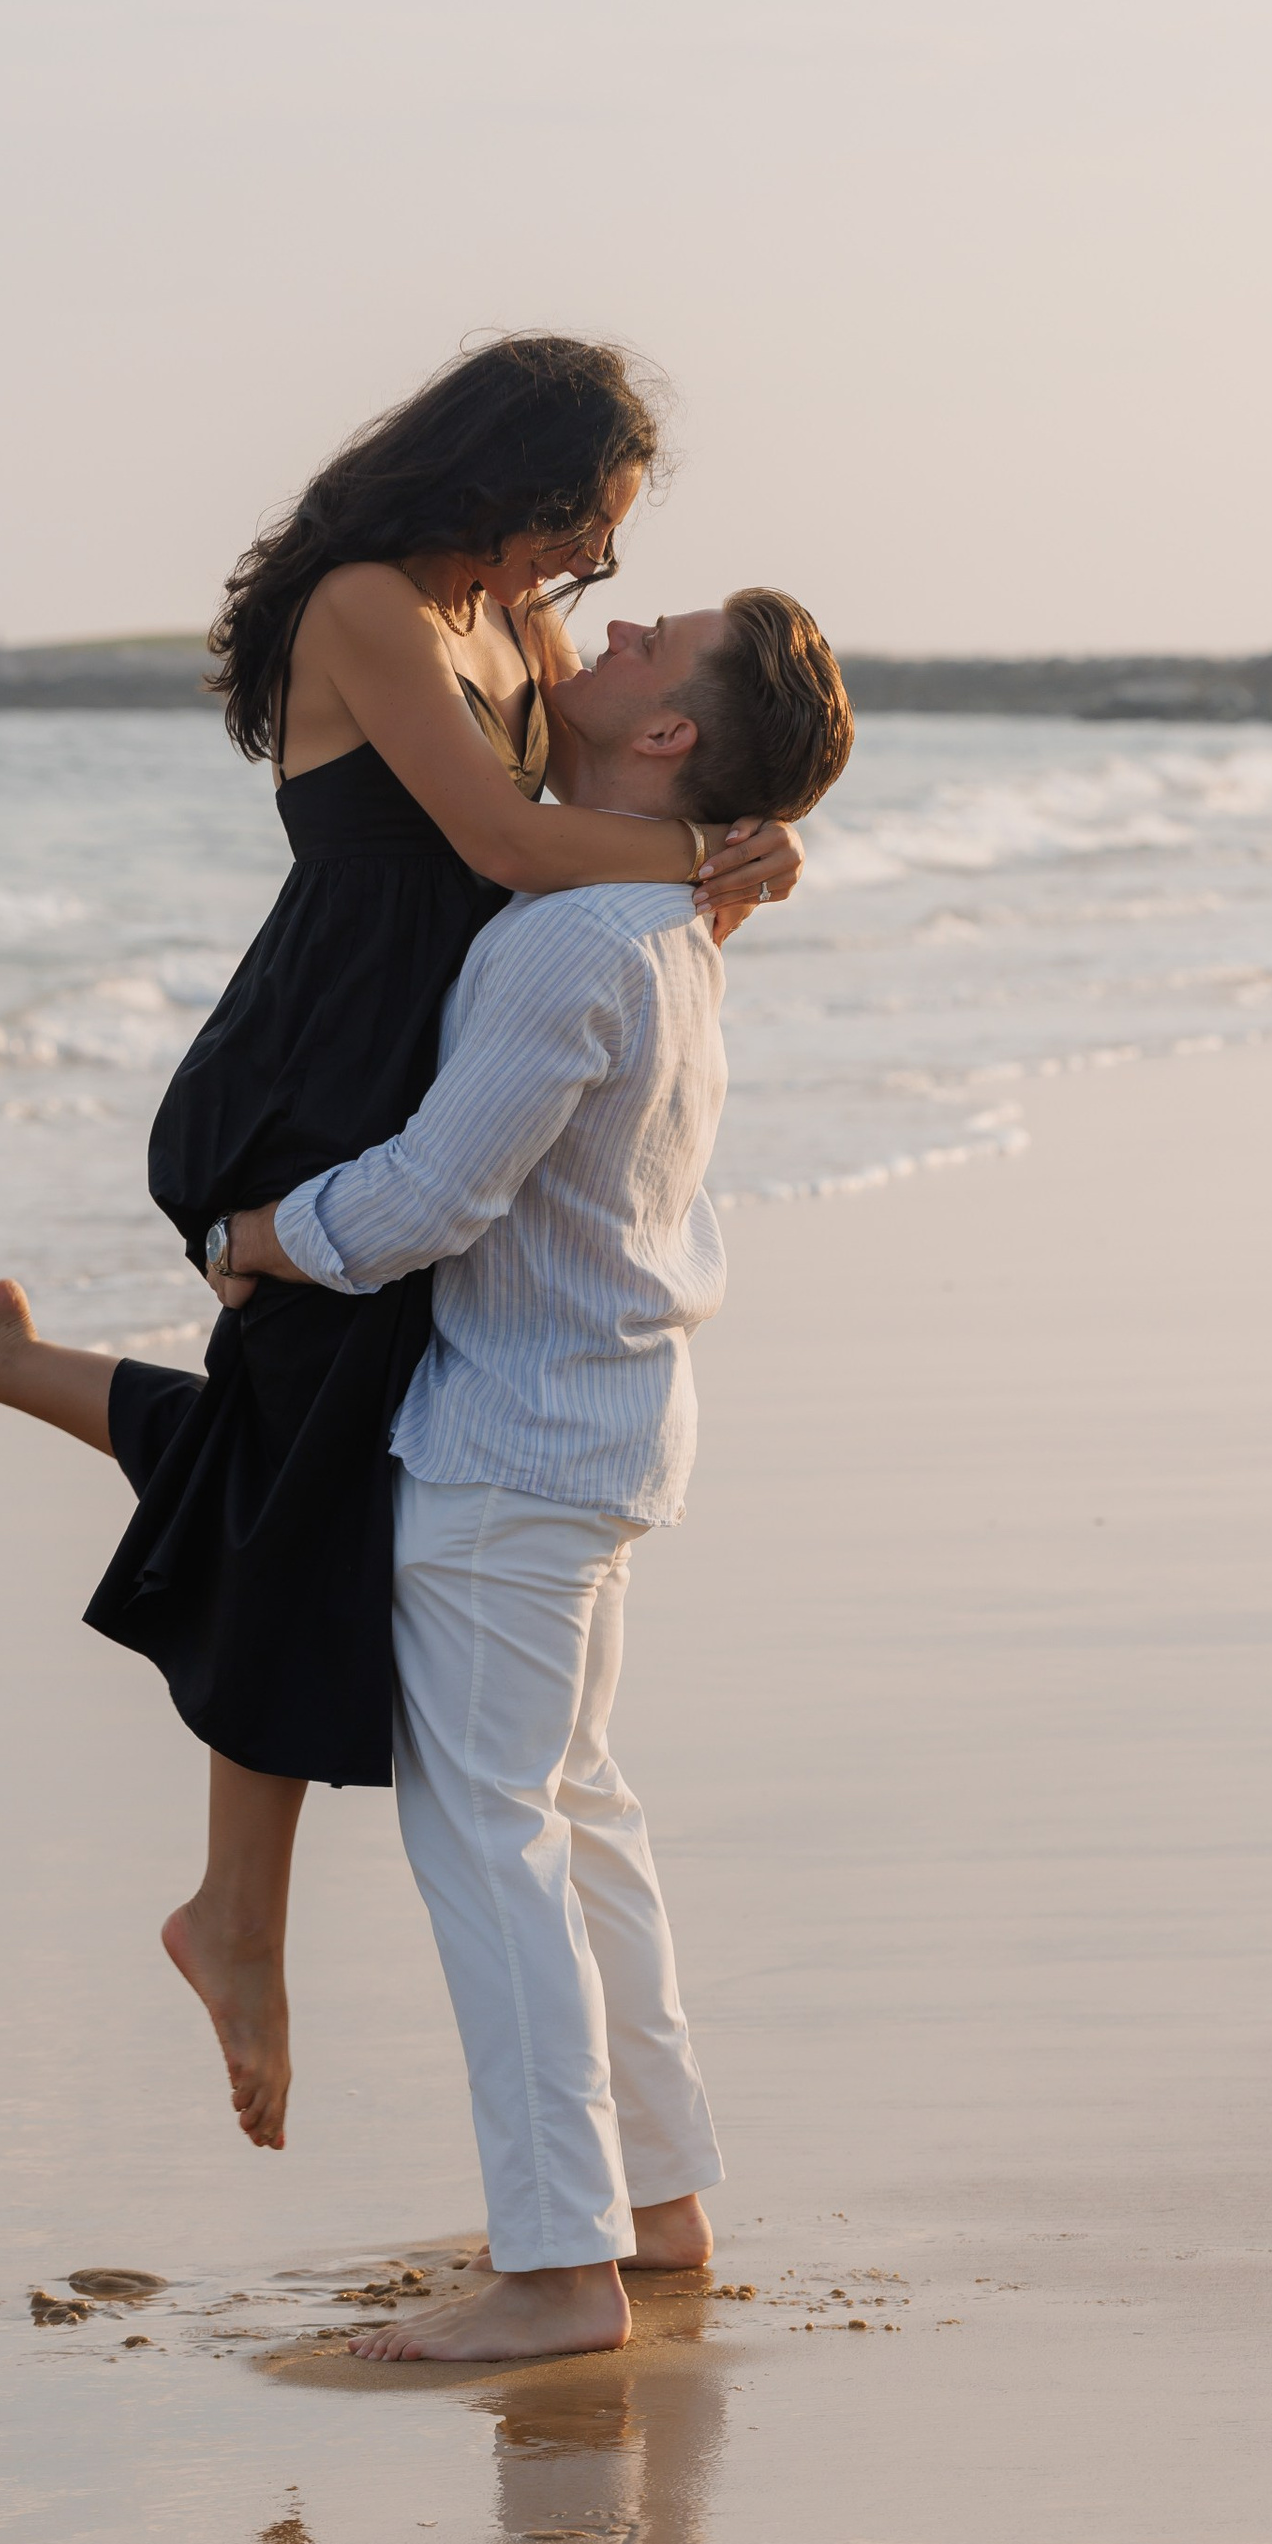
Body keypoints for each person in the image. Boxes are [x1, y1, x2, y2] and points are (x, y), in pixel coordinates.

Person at [0, 337, 803, 2158]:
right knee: (296, 1466)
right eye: (579, 529)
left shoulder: (524, 629)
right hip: (316, 1079)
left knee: (302, 1465)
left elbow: (628, 787)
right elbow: (505, 837)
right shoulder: (367, 606)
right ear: (507, 479)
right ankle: (231, 1919)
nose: (584, 579)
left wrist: (729, 839)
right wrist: (712, 860)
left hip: (423, 1088)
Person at [202, 585, 855, 2362]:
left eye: (655, 641)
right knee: (578, 1815)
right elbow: (563, 693)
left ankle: (561, 2268)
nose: (613, 620)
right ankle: (656, 2200)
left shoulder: (576, 937)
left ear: (664, 743)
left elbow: (428, 1197)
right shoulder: (663, 913)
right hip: (606, 1420)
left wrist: (258, 1232)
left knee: (489, 1834)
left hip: (513, 1444)